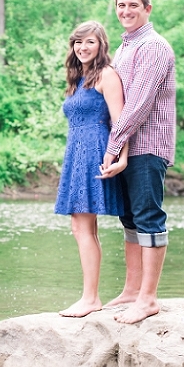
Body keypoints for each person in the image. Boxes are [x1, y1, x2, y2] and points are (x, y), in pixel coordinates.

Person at [99, 0, 176, 324]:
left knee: (148, 218)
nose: (125, 11)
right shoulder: (125, 47)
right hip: (128, 147)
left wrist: (113, 147)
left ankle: (148, 298)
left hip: (147, 146)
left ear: (148, 8)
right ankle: (131, 291)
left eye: (133, 5)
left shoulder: (155, 47)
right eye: (120, 5)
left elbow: (139, 104)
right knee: (129, 219)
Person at [55, 21, 128, 318]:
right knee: (82, 226)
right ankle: (90, 296)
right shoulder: (78, 77)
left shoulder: (106, 75)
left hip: (96, 150)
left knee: (82, 226)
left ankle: (90, 298)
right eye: (78, 42)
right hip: (76, 151)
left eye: (90, 42)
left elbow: (121, 121)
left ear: (101, 46)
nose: (83, 47)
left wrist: (120, 157)